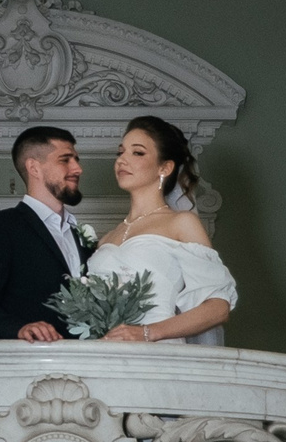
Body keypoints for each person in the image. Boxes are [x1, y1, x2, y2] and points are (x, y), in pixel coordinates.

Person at [85, 115, 236, 345]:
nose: (122, 160)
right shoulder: (107, 237)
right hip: (105, 356)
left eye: (137, 152)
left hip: (158, 354)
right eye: (120, 152)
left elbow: (218, 308)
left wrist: (147, 332)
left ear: (165, 167)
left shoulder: (181, 223)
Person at [0, 126, 86, 342]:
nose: (77, 168)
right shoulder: (1, 227)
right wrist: (20, 329)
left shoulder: (80, 234)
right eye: (65, 160)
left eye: (76, 159)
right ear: (34, 168)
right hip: (30, 366)